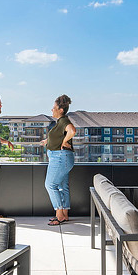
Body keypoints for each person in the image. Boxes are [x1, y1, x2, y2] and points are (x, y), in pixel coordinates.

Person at [44, 94, 76, 226]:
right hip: (64, 158)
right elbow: (60, 135)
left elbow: (72, 131)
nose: (52, 110)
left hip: (60, 157)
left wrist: (64, 141)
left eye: (54, 107)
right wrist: (47, 141)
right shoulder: (60, 122)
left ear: (60, 110)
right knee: (63, 186)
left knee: (50, 185)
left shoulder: (63, 121)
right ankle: (65, 214)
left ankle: (59, 215)